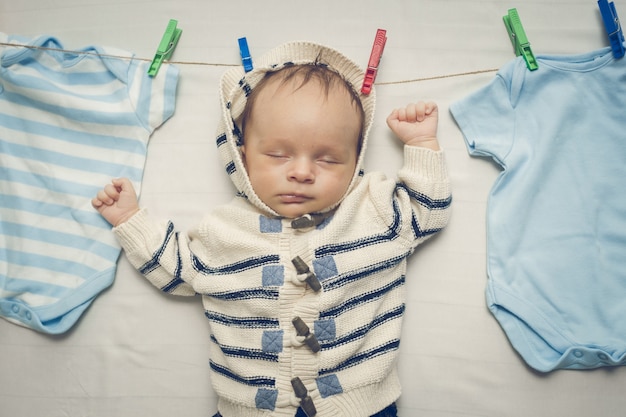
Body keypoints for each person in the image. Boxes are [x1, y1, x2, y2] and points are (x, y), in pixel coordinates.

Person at [92, 41, 451, 417]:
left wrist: (422, 144)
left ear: (355, 158)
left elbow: (428, 212)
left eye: (328, 159)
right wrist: (129, 220)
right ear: (241, 153)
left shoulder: (372, 209)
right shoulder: (224, 232)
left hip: (359, 406)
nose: (301, 172)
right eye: (278, 155)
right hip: (250, 408)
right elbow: (177, 268)